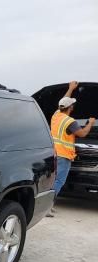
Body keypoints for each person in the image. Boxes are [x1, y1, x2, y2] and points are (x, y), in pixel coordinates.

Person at [48, 81, 96, 216]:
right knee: (59, 181)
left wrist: (71, 89)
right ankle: (47, 206)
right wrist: (90, 123)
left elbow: (62, 101)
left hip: (54, 153)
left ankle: (46, 205)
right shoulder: (70, 122)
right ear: (71, 108)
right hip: (63, 155)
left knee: (53, 179)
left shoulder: (56, 115)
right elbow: (83, 134)